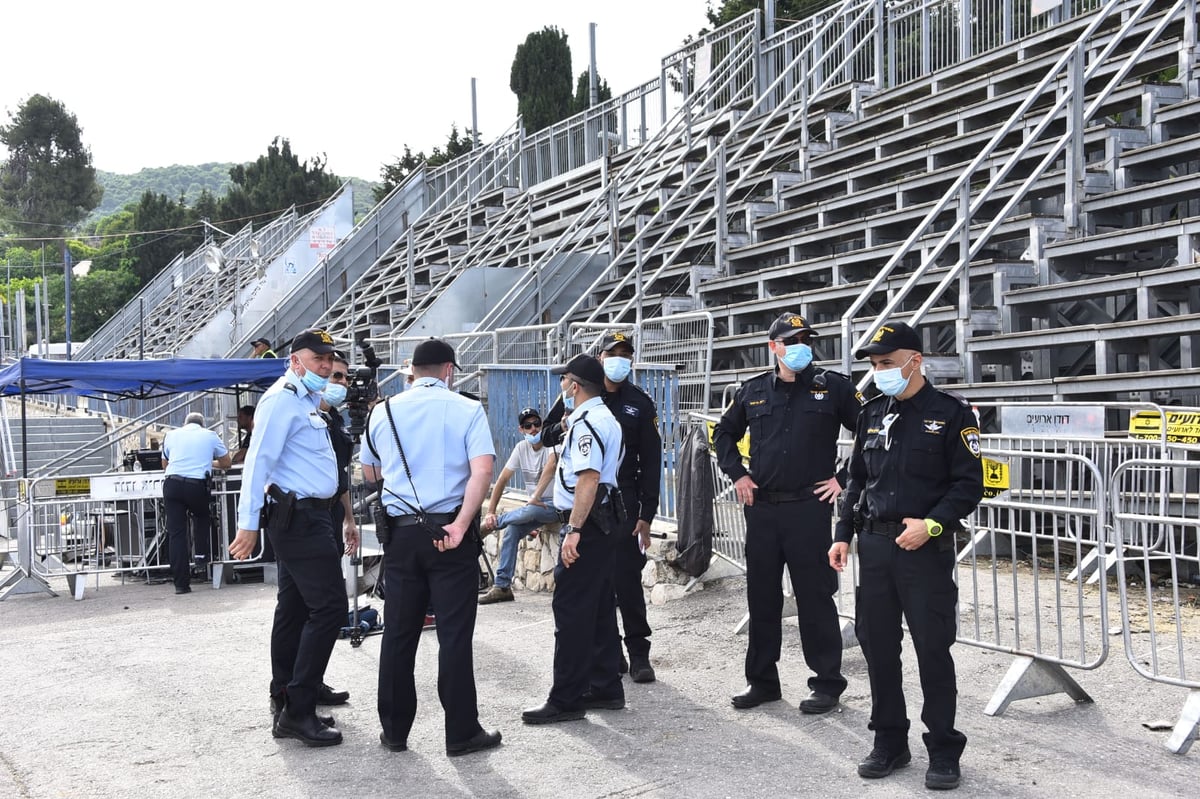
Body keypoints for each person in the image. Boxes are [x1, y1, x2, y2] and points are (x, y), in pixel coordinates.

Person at [828, 320, 984, 791]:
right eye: (875, 366)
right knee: (878, 649)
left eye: (887, 364)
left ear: (915, 361)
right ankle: (889, 741)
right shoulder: (871, 412)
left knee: (932, 648)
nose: (879, 373)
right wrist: (842, 532)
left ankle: (943, 748)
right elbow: (856, 478)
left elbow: (968, 484)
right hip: (874, 547)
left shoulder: (952, 414)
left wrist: (933, 523)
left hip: (924, 549)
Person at [712, 312, 862, 714]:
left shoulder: (832, 388)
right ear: (773, 347)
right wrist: (738, 475)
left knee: (815, 597)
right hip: (761, 510)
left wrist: (844, 478)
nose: (800, 347)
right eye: (791, 341)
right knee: (762, 598)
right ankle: (762, 682)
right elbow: (722, 433)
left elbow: (871, 431)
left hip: (808, 508)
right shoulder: (754, 390)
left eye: (805, 340)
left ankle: (827, 684)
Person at [360, 337, 502, 757]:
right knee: (454, 635)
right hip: (450, 534)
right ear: (449, 370)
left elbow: (370, 472)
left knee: (399, 634)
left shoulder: (382, 411)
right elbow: (483, 472)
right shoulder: (467, 409)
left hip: (401, 536)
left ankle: (394, 730)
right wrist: (460, 524)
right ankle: (461, 732)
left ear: (413, 373)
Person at [230, 329, 348, 748]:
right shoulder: (282, 399)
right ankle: (298, 711)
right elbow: (258, 463)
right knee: (331, 608)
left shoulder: (304, 400)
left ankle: (289, 692)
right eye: (317, 359)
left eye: (328, 359)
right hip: (299, 519)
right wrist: (247, 525)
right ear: (295, 360)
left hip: (311, 516)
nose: (326, 366)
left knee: (295, 609)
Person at [522, 354, 626, 724]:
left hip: (588, 522)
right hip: (602, 521)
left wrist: (575, 530)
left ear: (576, 385)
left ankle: (565, 699)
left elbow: (588, 479)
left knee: (571, 611)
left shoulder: (587, 423)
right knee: (597, 608)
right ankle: (605, 685)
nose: (561, 387)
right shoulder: (600, 418)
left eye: (564, 380)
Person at [594, 331, 661, 683]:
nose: (620, 359)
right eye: (613, 353)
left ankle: (639, 653)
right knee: (599, 584)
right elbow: (548, 434)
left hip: (627, 501)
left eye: (626, 353)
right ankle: (611, 652)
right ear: (600, 357)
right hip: (590, 503)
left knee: (627, 582)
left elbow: (652, 461)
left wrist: (646, 515)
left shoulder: (639, 401)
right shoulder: (583, 394)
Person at [478, 407, 559, 604]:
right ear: (521, 429)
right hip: (535, 509)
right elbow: (502, 479)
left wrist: (535, 497)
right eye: (528, 426)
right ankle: (503, 586)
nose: (533, 429)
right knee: (513, 529)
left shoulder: (552, 445)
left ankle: (490, 526)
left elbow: (551, 467)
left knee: (529, 509)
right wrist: (490, 511)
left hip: (556, 506)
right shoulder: (521, 448)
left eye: (537, 424)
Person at [161, 412, 232, 595]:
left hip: (172, 484)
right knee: (202, 516)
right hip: (196, 485)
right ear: (202, 424)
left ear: (185, 424)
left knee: (176, 533)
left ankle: (181, 585)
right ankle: (201, 557)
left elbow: (165, 464)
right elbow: (226, 462)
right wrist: (208, 461)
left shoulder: (170, 435)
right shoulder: (210, 435)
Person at [321, 353, 360, 556]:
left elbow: (340, 472)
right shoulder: (302, 414)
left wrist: (349, 519)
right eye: (337, 376)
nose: (343, 383)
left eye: (347, 378)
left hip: (333, 509)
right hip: (309, 513)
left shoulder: (336, 418)